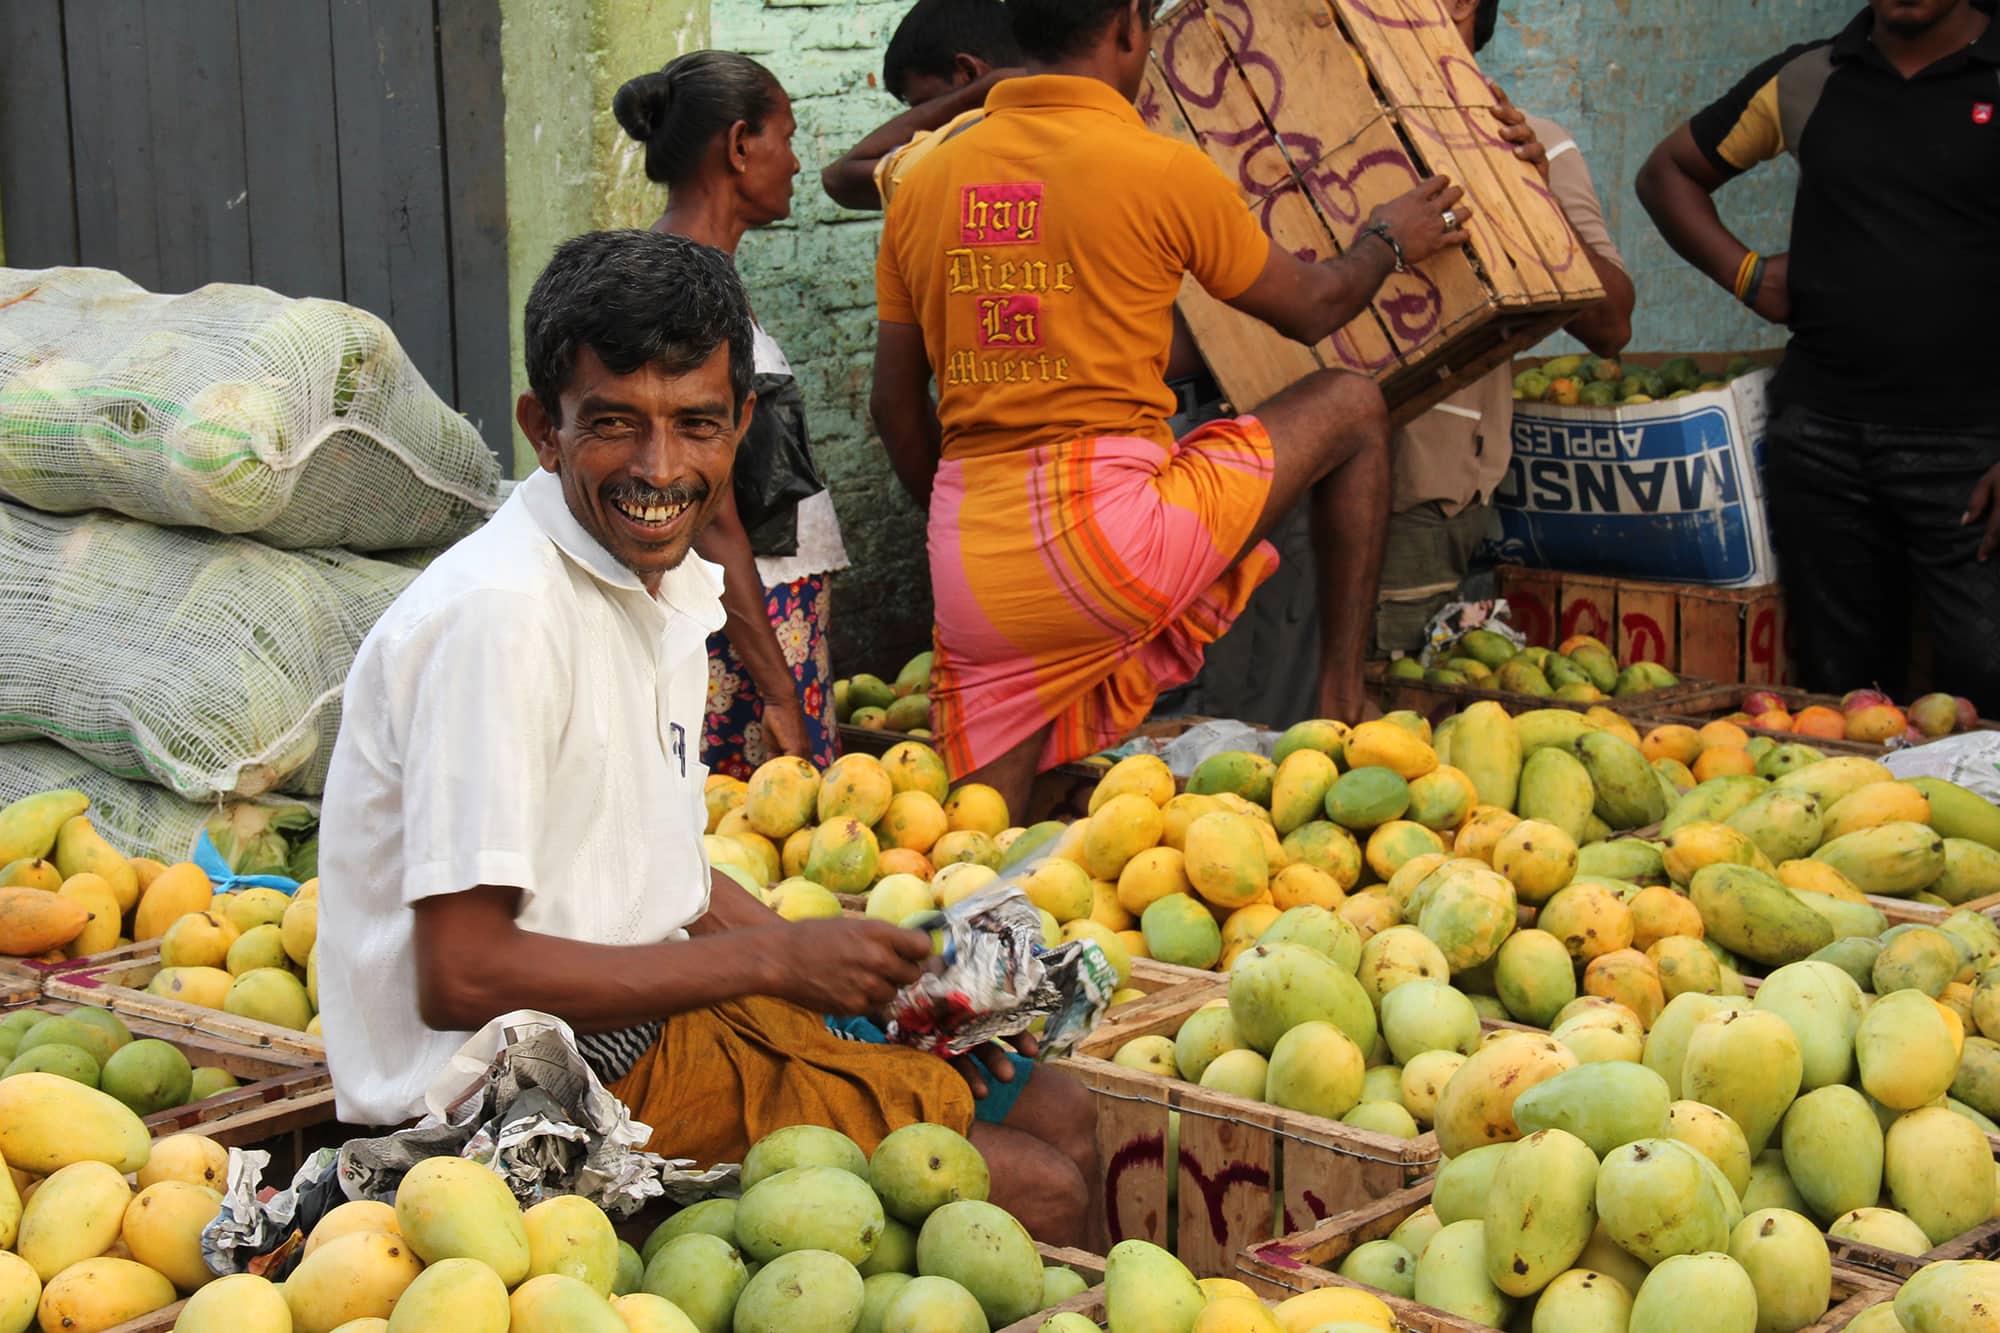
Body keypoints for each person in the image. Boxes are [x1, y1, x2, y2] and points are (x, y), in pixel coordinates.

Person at [316, 230, 1098, 1245]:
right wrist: (778, 963)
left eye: (694, 425)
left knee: (1060, 1114)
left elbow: (667, 884)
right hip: (514, 1108)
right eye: (613, 424)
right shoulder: (499, 618)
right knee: (1029, 1187)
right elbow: (463, 970)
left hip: (654, 1027)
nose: (659, 467)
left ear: (738, 428)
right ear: (542, 433)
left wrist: (888, 988)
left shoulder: (661, 589)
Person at [870, 0, 1473, 816]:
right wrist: (1387, 239)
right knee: (1353, 402)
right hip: (1119, 545)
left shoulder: (921, 180)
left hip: (972, 564)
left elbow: (895, 409)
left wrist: (964, 531)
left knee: (980, 842)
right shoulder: (1160, 168)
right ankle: (1340, 704)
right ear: (1126, 26)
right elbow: (1316, 307)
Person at [1637, 0, 2000, 711]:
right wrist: (1746, 274)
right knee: (1845, 698)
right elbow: (1668, 173)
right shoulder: (1811, 75)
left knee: (1986, 684)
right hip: (1824, 444)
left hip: (1971, 456)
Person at [1372, 0, 1636, 656]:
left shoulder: (1533, 141)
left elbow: (1612, 324)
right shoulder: (1325, 131)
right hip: (1293, 489)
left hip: (1424, 498)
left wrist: (1533, 197)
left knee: (1390, 701)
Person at [614, 52, 850, 778]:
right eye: (787, 135)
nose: (797, 162)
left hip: (756, 618)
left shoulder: (701, 275)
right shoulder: (681, 287)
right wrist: (780, 690)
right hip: (741, 630)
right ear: (741, 142)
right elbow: (709, 513)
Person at [822, 0, 1023, 211]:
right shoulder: (1057, 132)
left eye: (926, 106)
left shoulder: (944, 162)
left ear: (969, 72)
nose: (924, 127)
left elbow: (840, 178)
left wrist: (980, 91)